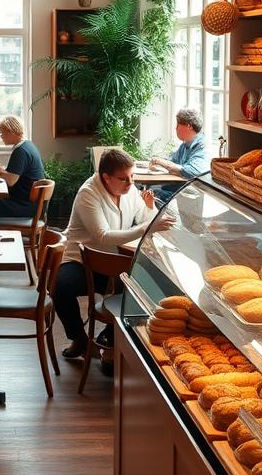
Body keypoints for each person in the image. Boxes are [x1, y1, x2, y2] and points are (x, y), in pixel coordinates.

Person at [55, 148, 175, 359]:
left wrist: (148, 209)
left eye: (132, 176)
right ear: (106, 178)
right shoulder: (88, 194)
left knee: (138, 288)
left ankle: (111, 341)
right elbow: (103, 235)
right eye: (124, 179)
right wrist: (147, 226)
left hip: (117, 261)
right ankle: (79, 338)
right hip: (82, 260)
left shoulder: (129, 191)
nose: (131, 184)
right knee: (60, 287)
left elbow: (144, 218)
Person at [0, 115, 45, 218]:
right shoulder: (28, 145)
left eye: (2, 133)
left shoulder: (21, 151)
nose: (1, 136)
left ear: (11, 131)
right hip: (29, 204)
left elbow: (11, 181)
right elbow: (12, 175)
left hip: (23, 206)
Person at [150, 107, 209, 191]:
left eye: (178, 125)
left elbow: (194, 172)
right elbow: (173, 160)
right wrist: (158, 160)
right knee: (149, 189)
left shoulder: (203, 147)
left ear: (189, 126)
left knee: (152, 191)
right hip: (180, 189)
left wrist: (164, 163)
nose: (176, 128)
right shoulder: (185, 145)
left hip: (191, 194)